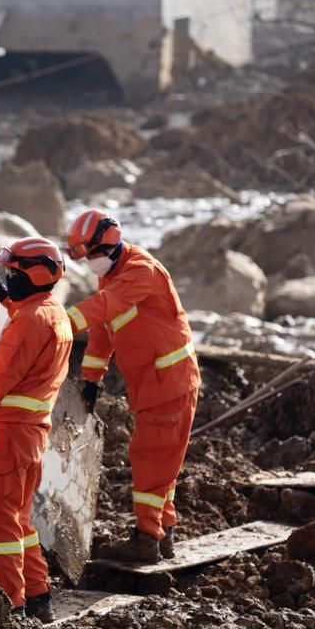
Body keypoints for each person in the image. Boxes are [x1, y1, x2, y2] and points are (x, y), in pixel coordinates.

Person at [65, 209, 200, 563]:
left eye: (92, 254)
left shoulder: (141, 271)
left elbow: (104, 307)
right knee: (162, 459)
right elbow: (102, 331)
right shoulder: (112, 273)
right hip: (154, 382)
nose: (90, 263)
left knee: (151, 458)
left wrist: (57, 325)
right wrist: (91, 379)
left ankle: (146, 539)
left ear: (107, 246)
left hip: (168, 383)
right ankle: (162, 533)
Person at [0, 237, 74, 622]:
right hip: (31, 436)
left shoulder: (29, 321)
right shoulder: (53, 313)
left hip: (8, 435)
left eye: (15, 272)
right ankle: (38, 594)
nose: (9, 277)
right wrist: (7, 300)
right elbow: (34, 330)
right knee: (18, 518)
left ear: (36, 274)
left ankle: (10, 605)